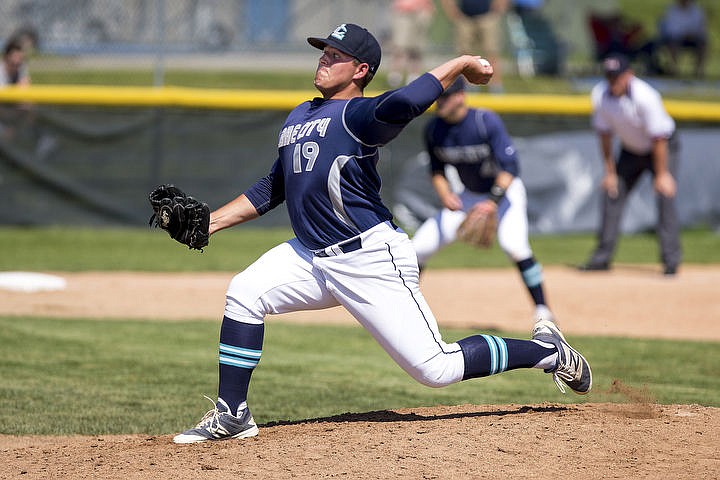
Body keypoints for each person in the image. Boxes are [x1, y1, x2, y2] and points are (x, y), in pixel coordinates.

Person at [172, 23, 591, 444]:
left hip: (369, 256)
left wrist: (462, 63)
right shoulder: (300, 115)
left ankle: (549, 352)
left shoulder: (360, 117)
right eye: (323, 51)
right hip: (310, 256)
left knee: (436, 368)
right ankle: (233, 415)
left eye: (335, 55)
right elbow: (273, 188)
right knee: (244, 292)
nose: (324, 58)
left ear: (361, 70)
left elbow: (408, 99)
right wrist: (211, 222)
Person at [411, 77, 555, 326]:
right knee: (418, 248)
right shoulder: (434, 129)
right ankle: (405, 309)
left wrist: (493, 201)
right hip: (468, 197)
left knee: (515, 247)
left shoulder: (483, 121)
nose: (439, 103)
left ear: (460, 97)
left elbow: (510, 167)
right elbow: (436, 171)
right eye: (437, 98)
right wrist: (445, 194)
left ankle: (543, 309)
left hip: (504, 193)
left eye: (444, 97)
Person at [578, 54, 681, 276]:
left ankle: (671, 261)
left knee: (665, 195)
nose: (613, 81)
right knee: (611, 194)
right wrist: (610, 172)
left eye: (617, 76)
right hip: (630, 151)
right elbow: (604, 136)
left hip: (661, 149)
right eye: (609, 76)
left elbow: (659, 138)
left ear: (629, 75)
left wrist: (662, 174)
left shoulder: (646, 96)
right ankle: (601, 258)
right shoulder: (600, 95)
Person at [440, 0, 508, 92]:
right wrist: (452, 11)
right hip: (464, 18)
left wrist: (498, 9)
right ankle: (467, 88)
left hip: (487, 16)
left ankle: (496, 88)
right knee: (464, 56)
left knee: (492, 53)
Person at [387, 0, 435, 88]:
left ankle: (413, 79)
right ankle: (395, 78)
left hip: (422, 9)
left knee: (416, 49)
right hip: (403, 10)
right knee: (399, 47)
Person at [657, 0, 708, 77]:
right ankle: (674, 69)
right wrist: (683, 34)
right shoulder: (672, 10)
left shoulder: (696, 10)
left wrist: (692, 34)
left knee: (703, 44)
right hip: (677, 38)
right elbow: (671, 29)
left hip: (693, 38)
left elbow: (700, 28)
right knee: (672, 44)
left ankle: (698, 71)